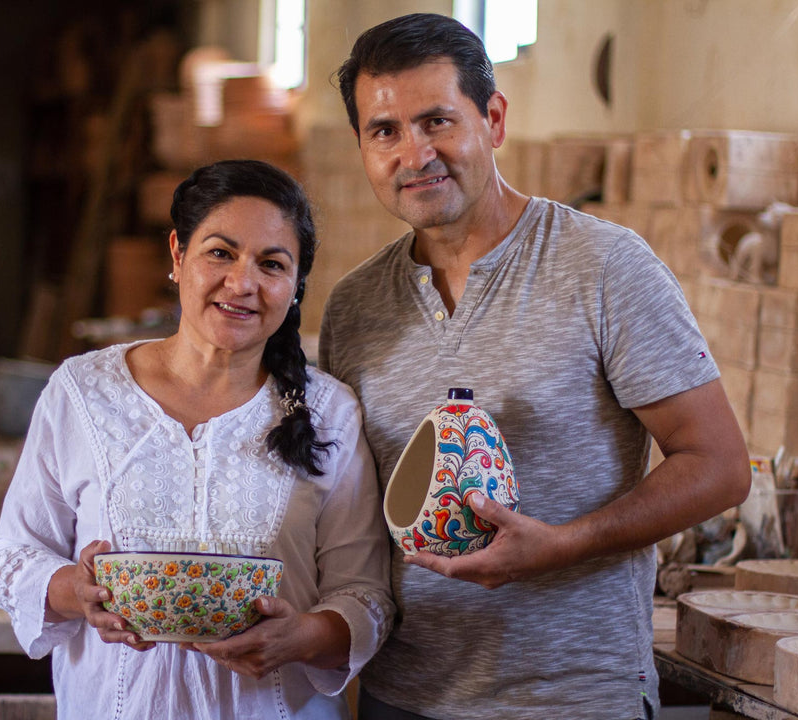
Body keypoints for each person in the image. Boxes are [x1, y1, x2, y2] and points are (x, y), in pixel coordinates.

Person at [319, 13, 751, 720]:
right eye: (385, 132)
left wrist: (564, 546)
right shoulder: (354, 306)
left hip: (570, 695)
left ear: (493, 119)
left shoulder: (604, 266)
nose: (414, 154)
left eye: (437, 121)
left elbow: (720, 464)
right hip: (404, 695)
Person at [0, 159, 394, 720]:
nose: (242, 283)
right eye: (220, 253)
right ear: (178, 255)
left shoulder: (329, 413)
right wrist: (74, 591)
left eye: (271, 264)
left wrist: (299, 636)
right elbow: (13, 554)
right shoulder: (82, 392)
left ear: (296, 285)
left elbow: (366, 596)